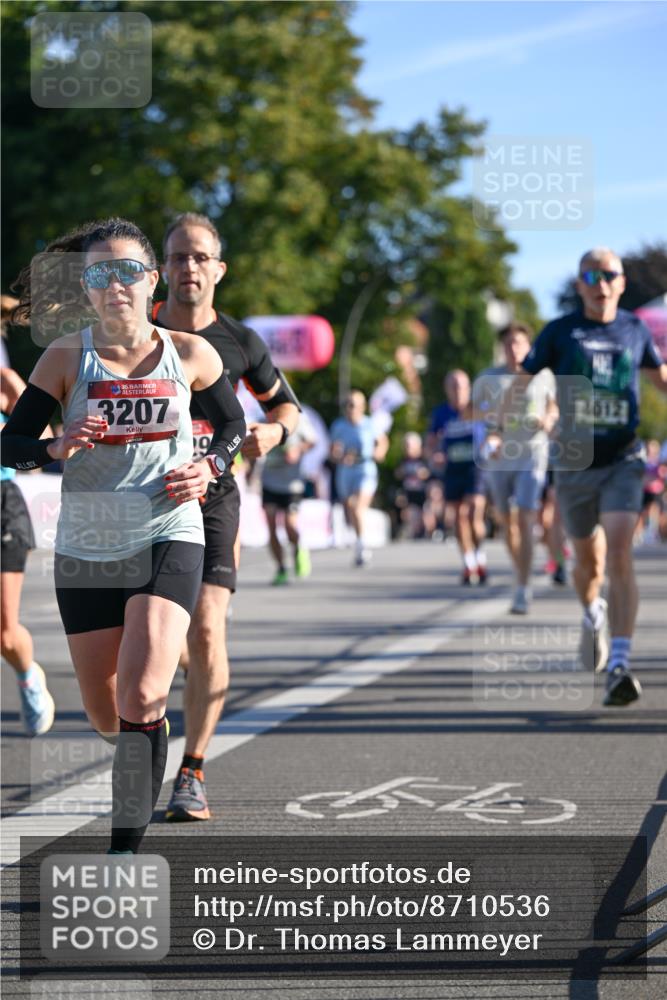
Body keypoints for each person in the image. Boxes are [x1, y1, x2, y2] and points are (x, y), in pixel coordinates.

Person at [3, 217, 246, 851]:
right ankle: (146, 742)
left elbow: (233, 427)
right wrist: (53, 447)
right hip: (87, 546)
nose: (116, 285)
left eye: (128, 271)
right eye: (100, 274)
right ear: (86, 287)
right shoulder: (65, 356)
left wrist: (210, 467)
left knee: (141, 696)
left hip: (168, 529)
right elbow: (10, 442)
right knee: (108, 714)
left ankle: (122, 853)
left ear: (151, 279)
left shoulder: (190, 354)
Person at [152, 213, 300, 821]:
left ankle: (192, 770)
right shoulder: (136, 331)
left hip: (214, 498)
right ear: (162, 268)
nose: (188, 267)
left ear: (219, 269)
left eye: (199, 257)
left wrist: (274, 432)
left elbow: (287, 407)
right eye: (178, 257)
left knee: (208, 627)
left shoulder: (241, 341)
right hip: (146, 499)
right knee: (159, 639)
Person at [519, 247, 667, 706]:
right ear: (579, 284)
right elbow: (523, 381)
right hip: (575, 461)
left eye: (608, 275)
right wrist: (518, 422)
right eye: (590, 276)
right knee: (588, 564)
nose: (600, 283)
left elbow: (661, 379)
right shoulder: (560, 331)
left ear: (621, 282)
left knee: (619, 552)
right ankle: (592, 612)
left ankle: (620, 664)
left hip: (623, 458)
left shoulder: (635, 329)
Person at [475, 323, 558, 613]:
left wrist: (548, 419)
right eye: (509, 343)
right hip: (500, 460)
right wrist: (491, 435)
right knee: (505, 521)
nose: (514, 348)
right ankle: (520, 567)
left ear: (529, 346)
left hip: (532, 454)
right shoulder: (489, 378)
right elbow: (477, 413)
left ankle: (522, 587)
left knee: (525, 517)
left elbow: (554, 406)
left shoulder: (543, 376)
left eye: (519, 342)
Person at [1, 365, 55, 735]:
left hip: (3, 507)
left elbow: (45, 440)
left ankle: (27, 676)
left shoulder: (4, 381)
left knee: (5, 634)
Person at [432, 370, 488, 585]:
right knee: (458, 517)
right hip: (453, 469)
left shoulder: (479, 409)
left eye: (462, 386)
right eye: (453, 386)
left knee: (474, 513)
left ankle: (480, 554)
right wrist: (435, 454)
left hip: (475, 468)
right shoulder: (441, 414)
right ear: (447, 390)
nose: (458, 391)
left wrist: (491, 447)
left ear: (468, 388)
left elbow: (495, 433)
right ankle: (468, 563)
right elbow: (430, 441)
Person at [329, 391, 388, 566]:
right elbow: (332, 451)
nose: (350, 408)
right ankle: (359, 538)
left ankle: (362, 545)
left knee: (358, 506)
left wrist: (379, 452)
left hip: (365, 469)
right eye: (347, 404)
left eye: (353, 405)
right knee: (350, 510)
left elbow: (383, 441)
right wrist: (339, 456)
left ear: (362, 407)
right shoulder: (339, 426)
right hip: (346, 471)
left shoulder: (370, 424)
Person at [261, 411, 316, 585]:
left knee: (289, 525)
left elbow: (312, 441)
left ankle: (299, 547)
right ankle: (281, 568)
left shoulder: (298, 417)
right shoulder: (263, 418)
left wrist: (298, 449)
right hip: (269, 481)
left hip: (292, 484)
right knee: (271, 526)